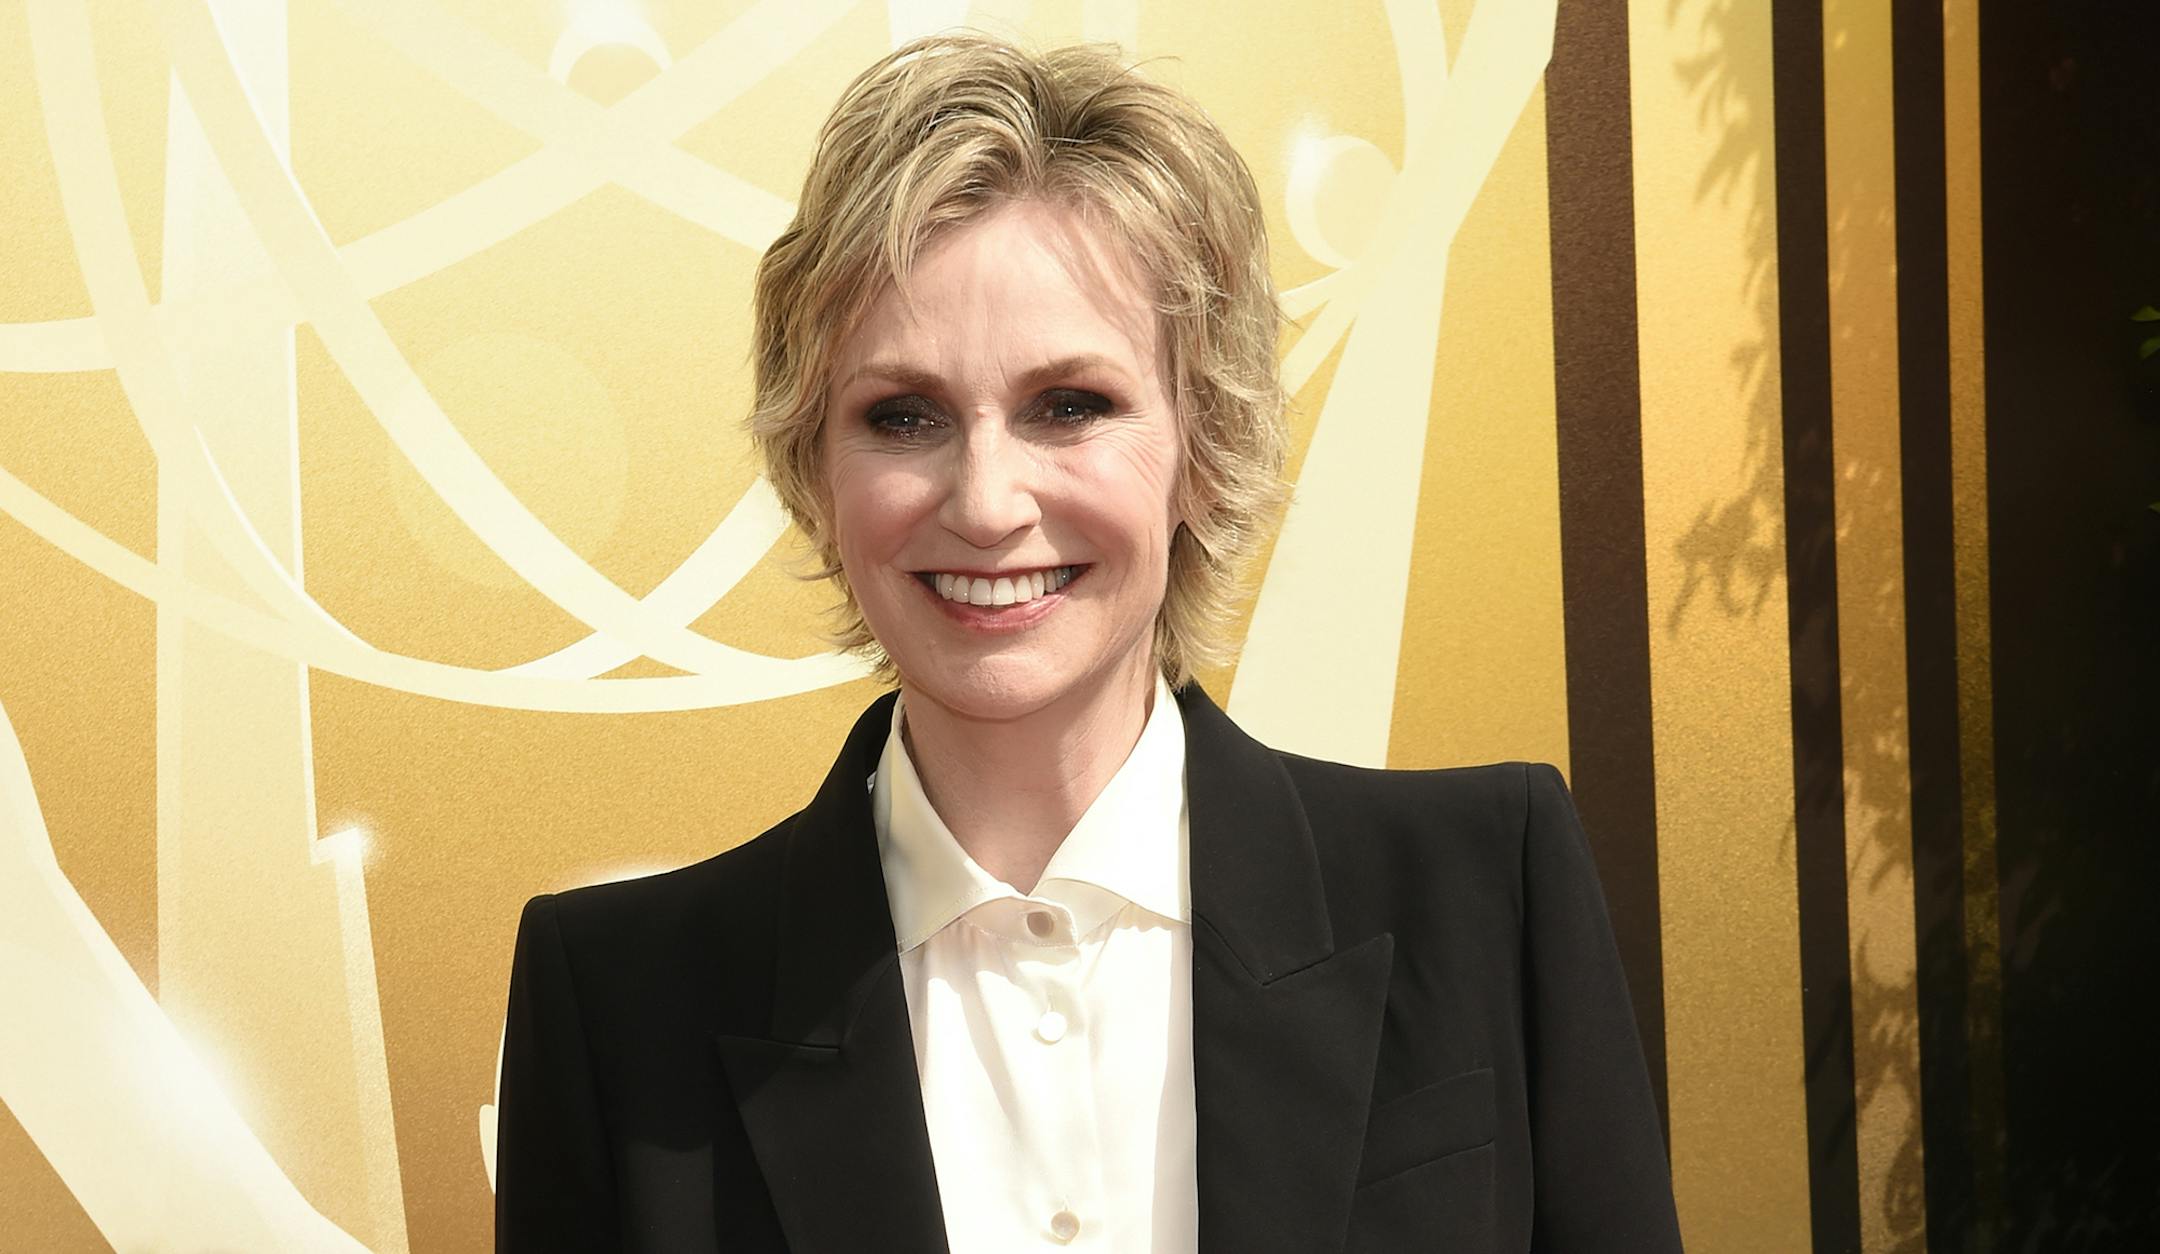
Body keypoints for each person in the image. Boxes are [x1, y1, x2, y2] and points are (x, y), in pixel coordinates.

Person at [495, 33, 1683, 1254]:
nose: (987, 500)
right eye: (901, 416)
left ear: (1200, 437)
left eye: (1071, 406)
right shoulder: (618, 1005)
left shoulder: (1484, 893)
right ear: (815, 472)